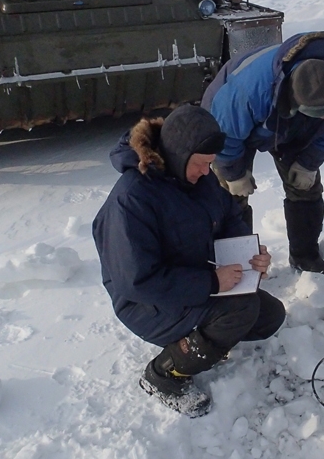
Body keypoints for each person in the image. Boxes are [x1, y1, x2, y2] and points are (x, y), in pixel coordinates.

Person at [92, 105, 286, 417]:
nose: (207, 172)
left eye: (210, 163)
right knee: (241, 310)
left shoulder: (197, 180)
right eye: (201, 163)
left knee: (269, 315)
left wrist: (247, 253)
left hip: (190, 279)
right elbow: (137, 281)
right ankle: (164, 374)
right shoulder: (132, 199)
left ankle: (204, 338)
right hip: (146, 303)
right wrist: (212, 282)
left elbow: (228, 215)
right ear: (179, 155)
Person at [202, 31, 324, 278]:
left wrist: (308, 165)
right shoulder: (246, 93)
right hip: (234, 126)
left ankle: (305, 256)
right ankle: (238, 263)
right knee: (230, 195)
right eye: (319, 112)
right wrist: (233, 173)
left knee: (305, 187)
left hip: (293, 125)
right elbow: (225, 136)